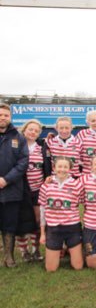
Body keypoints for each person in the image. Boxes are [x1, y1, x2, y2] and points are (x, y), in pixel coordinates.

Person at [39, 157, 84, 272]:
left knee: (78, 266)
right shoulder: (46, 185)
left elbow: (85, 204)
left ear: (70, 169)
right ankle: (60, 247)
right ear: (54, 168)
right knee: (50, 269)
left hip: (72, 227)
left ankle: (70, 248)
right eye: (59, 166)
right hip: (54, 228)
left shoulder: (77, 185)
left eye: (65, 167)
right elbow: (42, 209)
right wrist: (43, 233)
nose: (62, 169)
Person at [16, 119, 51, 262]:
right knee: (21, 221)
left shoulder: (41, 147)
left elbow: (46, 166)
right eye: (31, 129)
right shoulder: (17, 146)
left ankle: (35, 250)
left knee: (37, 220)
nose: (33, 132)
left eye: (36, 131)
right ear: (24, 130)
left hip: (37, 190)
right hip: (20, 190)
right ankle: (24, 252)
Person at [0, 103, 29, 267]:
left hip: (12, 189)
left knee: (9, 224)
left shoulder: (19, 137)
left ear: (10, 117)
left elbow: (23, 162)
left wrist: (6, 179)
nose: (2, 118)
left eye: (5, 115)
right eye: (0, 115)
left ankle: (9, 257)